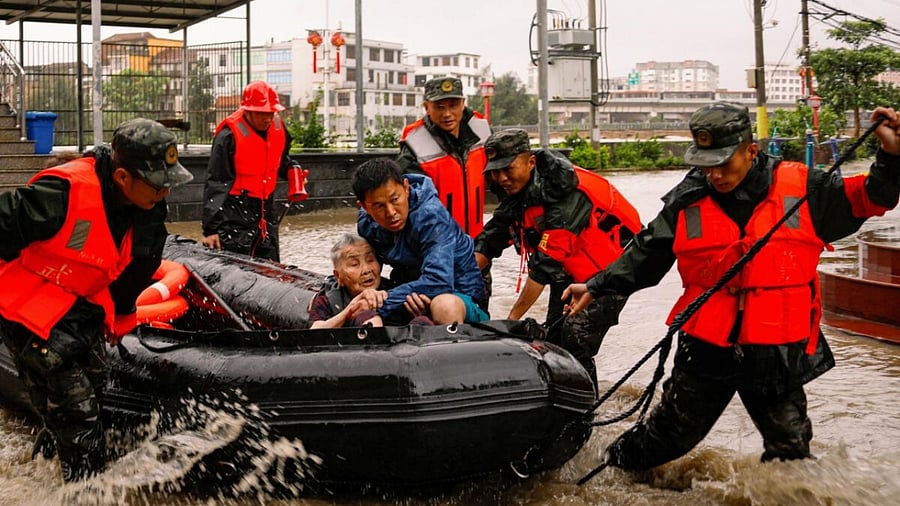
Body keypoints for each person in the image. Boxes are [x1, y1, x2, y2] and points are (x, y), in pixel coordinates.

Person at [564, 102, 900, 471]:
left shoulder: (804, 186)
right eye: (708, 165)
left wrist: (891, 154)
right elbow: (646, 252)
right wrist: (596, 285)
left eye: (725, 163)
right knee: (669, 436)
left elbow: (872, 197)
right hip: (708, 343)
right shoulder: (687, 199)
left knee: (790, 448)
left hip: (776, 347)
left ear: (750, 150)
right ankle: (606, 470)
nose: (716, 175)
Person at [0, 118, 193, 482]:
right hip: (29, 312)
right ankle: (84, 489)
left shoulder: (149, 205)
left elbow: (140, 264)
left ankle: (43, 466)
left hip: (79, 306)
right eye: (157, 185)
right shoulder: (61, 194)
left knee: (96, 384)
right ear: (122, 178)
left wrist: (122, 316)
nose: (165, 193)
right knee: (78, 413)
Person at [473, 128, 642, 380]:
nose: (502, 178)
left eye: (508, 169)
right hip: (570, 274)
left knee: (575, 339)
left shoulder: (565, 196)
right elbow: (490, 240)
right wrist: (459, 277)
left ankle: (586, 412)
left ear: (530, 162)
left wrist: (510, 322)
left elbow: (543, 269)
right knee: (554, 340)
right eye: (495, 171)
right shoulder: (518, 194)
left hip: (612, 273)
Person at [353, 158, 489, 326]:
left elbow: (439, 281)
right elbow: (369, 271)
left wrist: (384, 302)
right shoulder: (366, 224)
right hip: (409, 295)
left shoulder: (431, 218)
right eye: (379, 206)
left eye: (395, 199)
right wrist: (366, 296)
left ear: (406, 188)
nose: (391, 213)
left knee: (444, 305)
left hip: (458, 297)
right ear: (364, 207)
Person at [201, 80, 294, 262]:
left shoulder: (278, 128)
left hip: (266, 208)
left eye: (270, 113)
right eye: (261, 114)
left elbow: (281, 160)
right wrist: (210, 230)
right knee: (236, 265)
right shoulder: (228, 137)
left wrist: (293, 171)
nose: (266, 118)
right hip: (235, 210)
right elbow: (216, 183)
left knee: (270, 262)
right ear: (248, 110)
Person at [398, 76, 491, 238]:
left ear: (463, 104)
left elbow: (502, 179)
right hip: (437, 246)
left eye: (453, 106)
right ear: (427, 107)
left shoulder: (481, 130)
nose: (447, 114)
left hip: (477, 243)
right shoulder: (414, 145)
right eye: (439, 107)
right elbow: (414, 206)